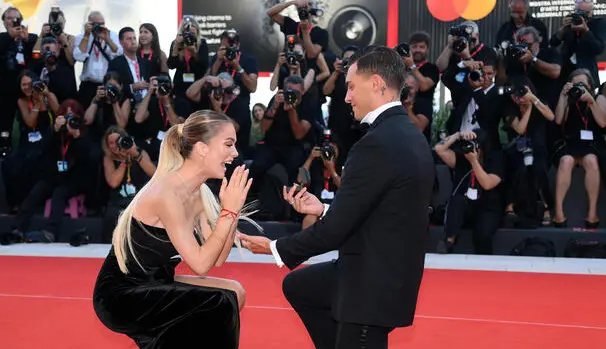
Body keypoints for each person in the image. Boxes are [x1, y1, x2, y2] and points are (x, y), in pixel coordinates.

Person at [239, 46, 435, 349]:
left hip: (371, 285)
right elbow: (383, 209)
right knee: (302, 287)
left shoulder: (377, 144)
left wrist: (276, 247)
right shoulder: (408, 134)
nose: (346, 97)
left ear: (377, 85)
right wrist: (326, 208)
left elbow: (335, 233)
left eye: (351, 87)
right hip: (389, 270)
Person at [93, 110, 256, 348]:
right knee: (220, 301)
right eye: (228, 144)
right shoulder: (167, 192)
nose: (235, 153)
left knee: (235, 292)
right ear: (202, 149)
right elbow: (200, 264)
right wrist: (228, 213)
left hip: (156, 282)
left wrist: (229, 214)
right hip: (122, 294)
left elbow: (217, 259)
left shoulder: (198, 193)